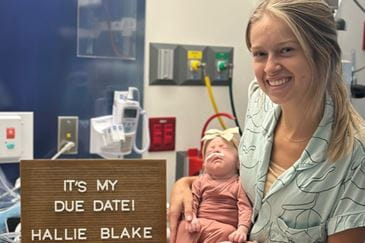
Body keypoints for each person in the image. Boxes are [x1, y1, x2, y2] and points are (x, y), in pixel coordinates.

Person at [169, 0, 365, 242]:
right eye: (260, 54)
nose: (271, 68)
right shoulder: (260, 101)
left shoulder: (355, 156)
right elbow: (238, 183)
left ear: (322, 51)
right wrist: (185, 184)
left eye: (286, 50)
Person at [175, 127, 252, 243]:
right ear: (204, 165)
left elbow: (245, 209)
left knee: (229, 232)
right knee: (182, 226)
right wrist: (192, 219)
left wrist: (242, 230)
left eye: (223, 148)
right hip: (199, 224)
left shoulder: (239, 184)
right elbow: (193, 202)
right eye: (210, 151)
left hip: (222, 227)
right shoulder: (200, 181)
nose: (216, 151)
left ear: (238, 162)